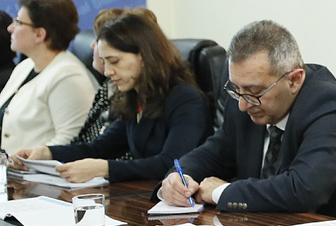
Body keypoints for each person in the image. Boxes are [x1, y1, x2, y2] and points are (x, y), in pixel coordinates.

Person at [160, 19, 336, 222]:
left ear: (294, 80)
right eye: (236, 90)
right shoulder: (246, 99)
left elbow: (302, 190)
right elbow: (213, 153)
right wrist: (179, 179)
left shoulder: (330, 107)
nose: (243, 104)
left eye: (254, 92)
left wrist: (221, 192)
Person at [15, 12, 210, 182]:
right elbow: (99, 148)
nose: (108, 72)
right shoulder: (136, 97)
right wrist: (47, 152)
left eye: (114, 61)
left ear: (144, 56)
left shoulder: (186, 100)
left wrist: (105, 169)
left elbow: (170, 164)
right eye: (104, 62)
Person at [0, 0, 97, 153]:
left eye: (18, 22)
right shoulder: (25, 66)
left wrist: (25, 161)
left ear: (39, 34)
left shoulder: (68, 77)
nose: (10, 28)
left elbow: (69, 142)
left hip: (34, 168)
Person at [71, 7, 159, 146]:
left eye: (98, 39)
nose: (92, 45)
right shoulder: (112, 87)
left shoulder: (129, 92)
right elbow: (94, 145)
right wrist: (49, 153)